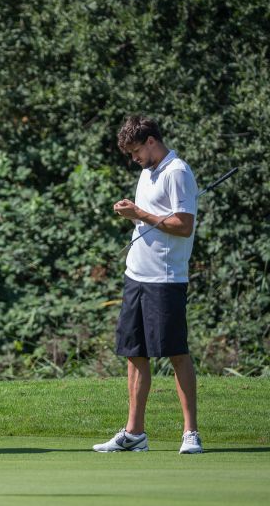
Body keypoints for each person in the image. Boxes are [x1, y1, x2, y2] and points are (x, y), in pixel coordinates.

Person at [93, 115, 203, 454]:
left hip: (165, 279)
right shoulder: (147, 172)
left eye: (136, 151)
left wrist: (139, 214)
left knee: (176, 352)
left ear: (152, 141)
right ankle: (134, 433)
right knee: (134, 353)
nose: (134, 158)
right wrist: (135, 213)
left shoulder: (177, 172)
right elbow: (153, 215)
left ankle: (190, 433)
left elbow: (183, 225)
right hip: (136, 275)